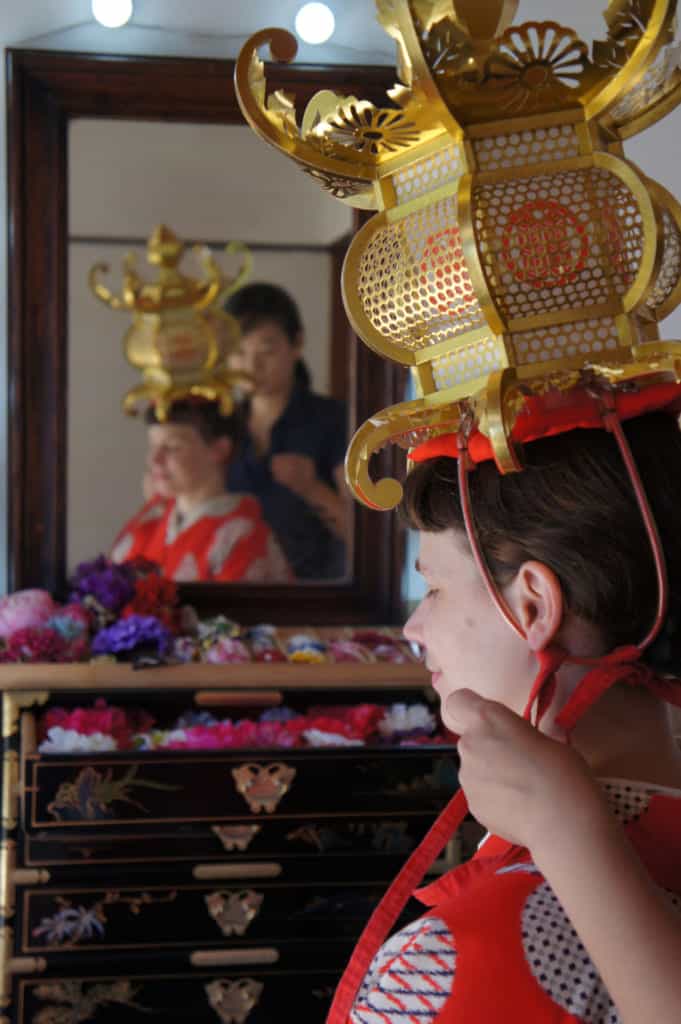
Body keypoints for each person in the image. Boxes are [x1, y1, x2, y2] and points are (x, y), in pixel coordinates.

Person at [337, 414, 681, 1024]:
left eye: (434, 589)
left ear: (533, 604)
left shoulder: (438, 967)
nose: (414, 629)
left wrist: (565, 830)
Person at [225, 282, 349, 579]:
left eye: (266, 350)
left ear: (296, 344)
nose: (252, 366)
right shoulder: (221, 425)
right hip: (232, 588)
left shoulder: (333, 419)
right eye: (239, 353)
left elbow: (369, 536)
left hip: (314, 593)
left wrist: (312, 489)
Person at [111, 399, 291, 583]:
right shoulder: (148, 527)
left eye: (172, 447)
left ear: (219, 449)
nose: (155, 459)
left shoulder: (240, 534)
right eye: (153, 446)